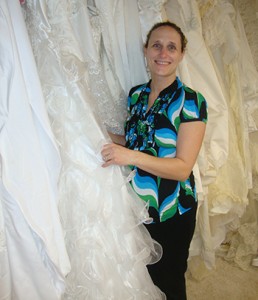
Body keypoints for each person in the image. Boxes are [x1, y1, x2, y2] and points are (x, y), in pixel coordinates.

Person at [101, 21, 208, 300]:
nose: (163, 53)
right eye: (157, 45)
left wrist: (130, 155)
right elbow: (135, 142)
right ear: (146, 50)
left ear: (182, 54)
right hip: (137, 208)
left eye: (172, 47)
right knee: (142, 282)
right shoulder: (137, 95)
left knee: (169, 282)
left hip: (171, 210)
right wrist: (101, 134)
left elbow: (183, 168)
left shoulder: (191, 101)